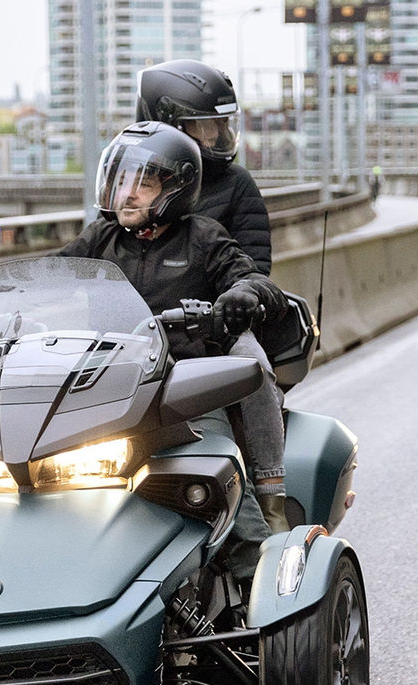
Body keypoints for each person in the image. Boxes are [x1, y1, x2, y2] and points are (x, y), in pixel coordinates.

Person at [56, 121, 287, 578]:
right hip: (112, 385)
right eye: (121, 181)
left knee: (216, 481)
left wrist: (244, 293)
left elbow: (254, 279)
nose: (127, 194)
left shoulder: (203, 237)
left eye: (142, 184)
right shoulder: (100, 239)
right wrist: (7, 296)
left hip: (185, 388)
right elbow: (52, 274)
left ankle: (261, 574)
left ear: (176, 188)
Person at [135, 59, 290, 534]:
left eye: (221, 126)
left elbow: (253, 267)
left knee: (253, 367)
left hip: (217, 328)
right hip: (139, 334)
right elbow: (87, 268)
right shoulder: (135, 184)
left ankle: (271, 494)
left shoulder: (234, 187)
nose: (217, 137)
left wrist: (238, 299)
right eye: (205, 127)